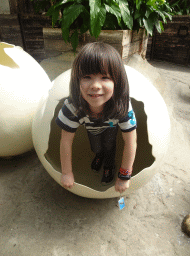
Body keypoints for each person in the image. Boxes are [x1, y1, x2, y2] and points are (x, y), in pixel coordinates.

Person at [56, 42, 137, 194]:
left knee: (109, 146)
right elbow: (66, 141)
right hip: (92, 129)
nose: (95, 85)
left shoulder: (123, 105)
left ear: (117, 82)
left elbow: (130, 141)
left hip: (111, 128)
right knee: (96, 147)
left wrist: (125, 176)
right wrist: (67, 172)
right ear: (77, 80)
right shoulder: (72, 106)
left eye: (105, 77)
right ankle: (99, 155)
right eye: (87, 77)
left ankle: (108, 166)